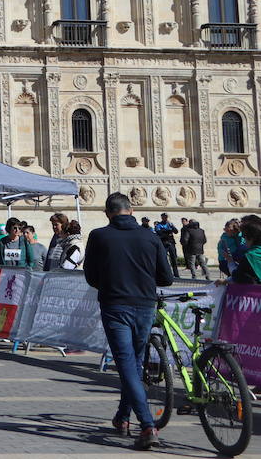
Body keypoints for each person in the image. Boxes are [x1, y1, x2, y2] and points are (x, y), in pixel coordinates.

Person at [84, 191, 174, 450]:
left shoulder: (99, 236)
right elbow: (166, 277)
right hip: (145, 306)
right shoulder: (151, 236)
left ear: (107, 213)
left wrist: (111, 284)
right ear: (131, 211)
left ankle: (147, 425)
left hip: (115, 306)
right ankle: (123, 418)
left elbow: (91, 276)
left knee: (126, 364)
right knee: (132, 363)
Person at [153, 213, 181, 279]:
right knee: (164, 259)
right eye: (163, 217)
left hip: (171, 243)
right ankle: (165, 274)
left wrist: (170, 228)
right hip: (164, 244)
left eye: (166, 217)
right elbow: (159, 234)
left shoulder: (170, 224)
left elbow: (176, 231)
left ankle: (176, 274)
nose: (165, 218)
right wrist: (168, 232)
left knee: (174, 259)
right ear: (161, 217)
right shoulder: (159, 225)